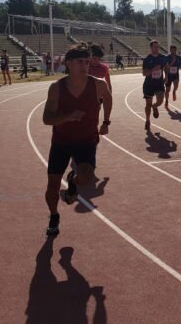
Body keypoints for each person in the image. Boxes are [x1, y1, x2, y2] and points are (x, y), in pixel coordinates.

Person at [41, 44, 113, 236]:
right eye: (80, 62)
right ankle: (54, 215)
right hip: (61, 142)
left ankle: (73, 179)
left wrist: (106, 122)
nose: (85, 66)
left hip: (86, 140)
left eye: (87, 62)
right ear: (68, 64)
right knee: (53, 185)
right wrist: (67, 116)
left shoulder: (98, 84)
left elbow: (108, 98)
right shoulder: (56, 88)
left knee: (87, 177)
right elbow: (47, 119)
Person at [141, 40, 168, 131]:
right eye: (155, 46)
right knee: (148, 104)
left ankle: (155, 106)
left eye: (158, 46)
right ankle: (147, 120)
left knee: (160, 100)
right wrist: (153, 70)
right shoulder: (147, 59)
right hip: (149, 84)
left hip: (159, 83)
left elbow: (166, 67)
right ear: (151, 47)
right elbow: (144, 73)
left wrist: (166, 76)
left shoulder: (163, 58)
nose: (157, 48)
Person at [164, 45, 181, 109]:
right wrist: (172, 62)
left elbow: (180, 66)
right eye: (172, 50)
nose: (173, 51)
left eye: (175, 50)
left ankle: (174, 91)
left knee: (176, 85)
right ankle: (166, 101)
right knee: (167, 90)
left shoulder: (179, 58)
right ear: (170, 50)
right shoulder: (167, 57)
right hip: (168, 75)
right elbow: (166, 67)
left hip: (175, 74)